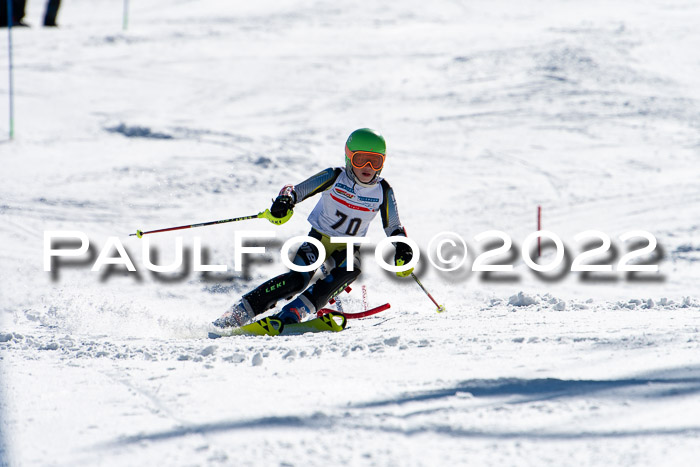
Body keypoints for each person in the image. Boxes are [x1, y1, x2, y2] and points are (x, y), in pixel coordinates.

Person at [213, 128, 414, 328]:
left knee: (352, 268)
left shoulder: (383, 190)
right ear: (349, 157)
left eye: (375, 161)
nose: (368, 166)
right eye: (360, 159)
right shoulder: (335, 177)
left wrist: (403, 248)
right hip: (319, 240)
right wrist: (285, 201)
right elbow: (295, 191)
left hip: (348, 247)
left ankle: (296, 311)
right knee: (297, 281)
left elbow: (393, 226)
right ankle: (240, 312)